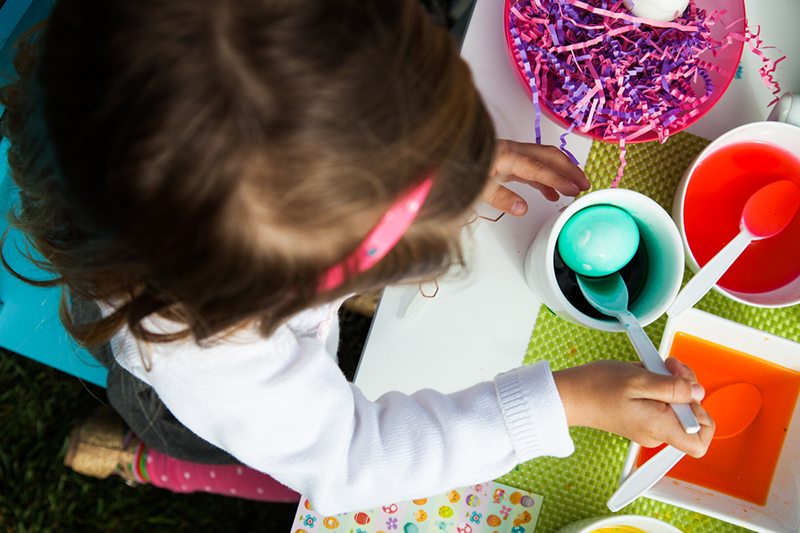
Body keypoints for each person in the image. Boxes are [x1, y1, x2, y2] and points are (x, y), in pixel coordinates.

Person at [0, 0, 713, 514]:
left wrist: (439, 163)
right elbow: (349, 459)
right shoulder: (209, 359)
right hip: (188, 411)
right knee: (274, 471)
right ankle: (148, 462)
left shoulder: (239, 97)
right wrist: (565, 400)